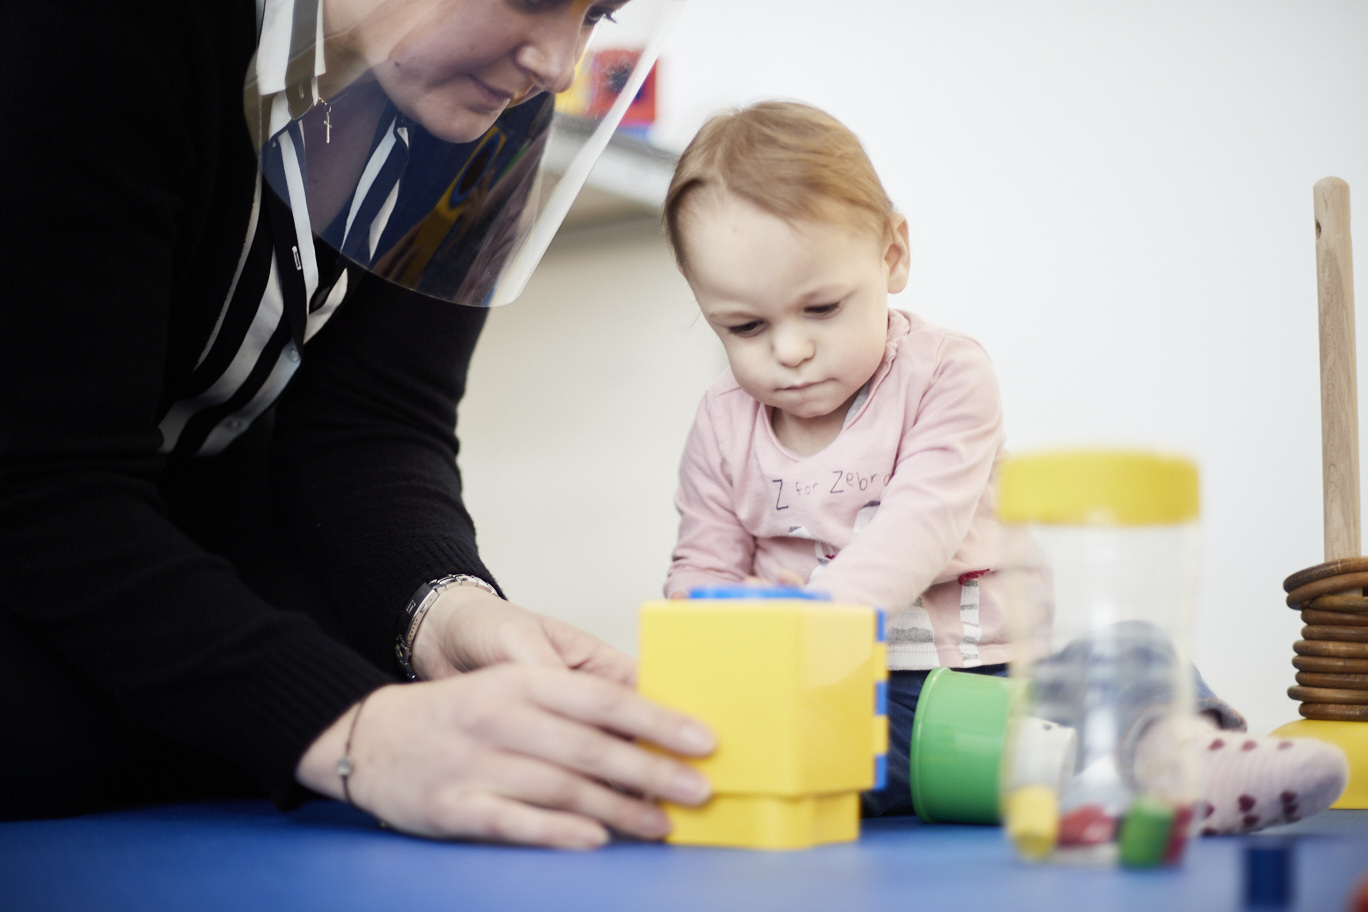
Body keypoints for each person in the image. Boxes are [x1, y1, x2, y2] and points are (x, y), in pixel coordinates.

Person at [0, 0, 715, 849]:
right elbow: (44, 476)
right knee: (50, 733)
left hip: (148, 521)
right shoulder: (104, 29)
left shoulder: (484, 99)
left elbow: (376, 426)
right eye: (535, 0)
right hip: (43, 514)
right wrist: (354, 732)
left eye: (595, 15)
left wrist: (446, 612)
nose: (559, 66)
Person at [657, 100, 1346, 832]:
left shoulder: (946, 372)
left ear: (892, 255)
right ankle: (1095, 778)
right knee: (752, 750)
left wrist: (812, 622)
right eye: (745, 326)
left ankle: (1185, 759)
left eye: (821, 308)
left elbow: (918, 528)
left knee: (1126, 653)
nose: (788, 350)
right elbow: (700, 569)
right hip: (839, 697)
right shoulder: (721, 419)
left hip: (992, 672)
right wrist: (712, 677)